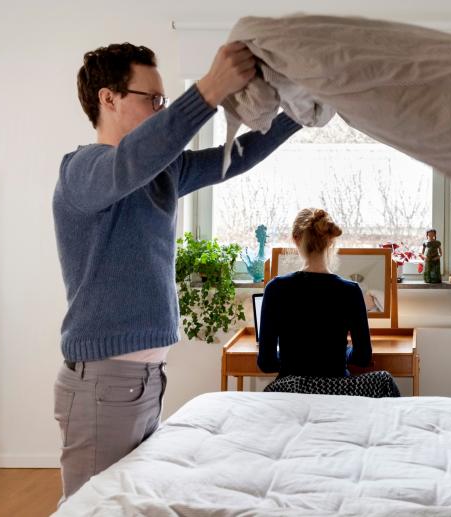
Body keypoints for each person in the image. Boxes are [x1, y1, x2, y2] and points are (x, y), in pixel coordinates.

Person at [52, 41, 303, 499]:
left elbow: (238, 155)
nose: (161, 109)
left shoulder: (163, 172)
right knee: (92, 508)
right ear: (108, 99)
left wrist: (299, 113)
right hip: (103, 384)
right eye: (152, 99)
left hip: (143, 381)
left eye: (164, 100)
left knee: (128, 504)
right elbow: (133, 159)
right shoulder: (83, 170)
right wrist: (208, 90)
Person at [258, 209, 372, 379]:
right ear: (331, 241)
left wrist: (291, 356)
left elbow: (266, 364)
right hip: (335, 391)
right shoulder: (351, 291)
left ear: (296, 239)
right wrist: (344, 352)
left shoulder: (276, 288)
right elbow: (363, 358)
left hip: (290, 392)